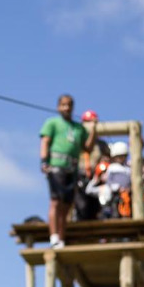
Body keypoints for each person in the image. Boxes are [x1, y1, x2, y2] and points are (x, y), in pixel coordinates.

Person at [40, 95, 96, 247]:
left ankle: (61, 239)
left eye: (69, 105)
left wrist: (93, 130)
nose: (66, 108)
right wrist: (44, 161)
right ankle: (54, 237)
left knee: (67, 204)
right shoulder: (52, 123)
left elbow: (88, 148)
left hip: (72, 169)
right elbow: (45, 142)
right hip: (56, 166)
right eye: (63, 105)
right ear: (58, 107)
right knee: (55, 202)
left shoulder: (78, 128)